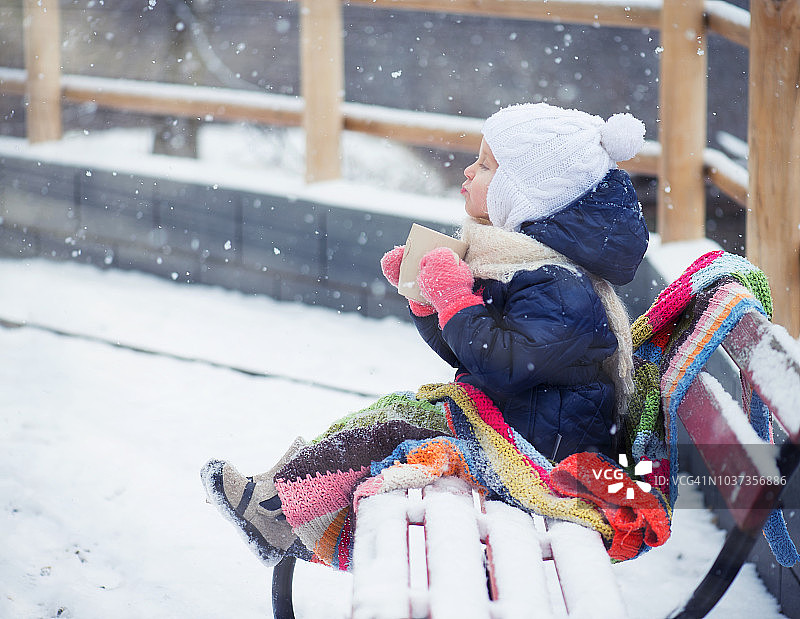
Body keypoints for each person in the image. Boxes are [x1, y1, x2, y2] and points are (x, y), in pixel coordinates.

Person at [201, 102, 649, 569]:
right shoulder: (520, 264)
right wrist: (429, 303)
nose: (469, 171)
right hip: (513, 423)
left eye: (486, 166)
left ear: (527, 196)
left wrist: (454, 297)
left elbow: (504, 365)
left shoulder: (560, 286)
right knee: (391, 412)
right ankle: (277, 505)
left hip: (542, 450)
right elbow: (473, 354)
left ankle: (281, 513)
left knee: (396, 434)